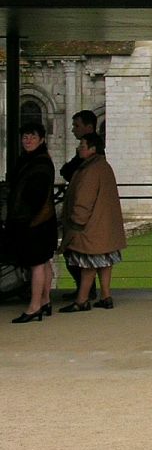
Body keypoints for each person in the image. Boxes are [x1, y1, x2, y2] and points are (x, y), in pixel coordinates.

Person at [58, 133, 126, 312]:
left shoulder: (89, 170)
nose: (79, 148)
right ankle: (106, 295)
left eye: (82, 145)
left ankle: (82, 300)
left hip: (91, 227)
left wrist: (75, 222)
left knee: (88, 264)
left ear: (92, 148)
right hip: (105, 226)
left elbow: (83, 200)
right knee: (104, 262)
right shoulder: (103, 166)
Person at [7, 121, 57, 324]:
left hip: (35, 221)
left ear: (42, 140)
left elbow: (35, 196)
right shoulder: (34, 160)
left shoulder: (39, 164)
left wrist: (25, 219)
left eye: (32, 137)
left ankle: (34, 306)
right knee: (43, 262)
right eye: (25, 137)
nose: (27, 140)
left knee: (37, 263)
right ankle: (44, 301)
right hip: (40, 220)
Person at [58, 109, 99, 300]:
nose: (73, 130)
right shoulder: (88, 154)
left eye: (77, 126)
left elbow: (67, 171)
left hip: (84, 215)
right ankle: (86, 291)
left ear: (89, 128)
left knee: (76, 251)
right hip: (87, 213)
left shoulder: (90, 155)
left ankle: (84, 293)